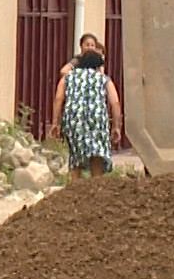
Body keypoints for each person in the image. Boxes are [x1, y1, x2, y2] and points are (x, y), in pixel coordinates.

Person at [49, 32, 121, 178]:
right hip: (97, 120)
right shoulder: (103, 79)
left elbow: (58, 99)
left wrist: (55, 123)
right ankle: (96, 188)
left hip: (74, 119)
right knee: (97, 155)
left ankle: (75, 191)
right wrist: (116, 127)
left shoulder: (68, 77)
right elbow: (115, 103)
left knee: (75, 157)